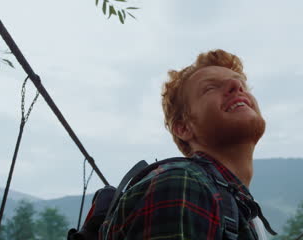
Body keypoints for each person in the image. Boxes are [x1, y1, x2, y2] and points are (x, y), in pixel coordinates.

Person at [100, 49, 275, 239]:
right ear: (183, 128)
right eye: (210, 88)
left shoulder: (240, 209)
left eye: (242, 84)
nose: (236, 85)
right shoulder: (180, 184)